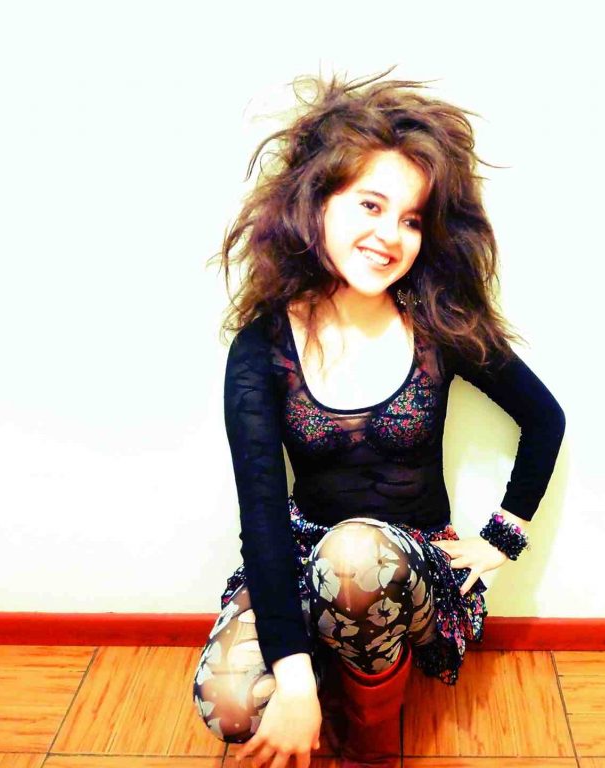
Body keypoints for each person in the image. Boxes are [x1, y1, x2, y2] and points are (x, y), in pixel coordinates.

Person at [193, 69, 566, 768]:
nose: (390, 235)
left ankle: (371, 740)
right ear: (317, 200)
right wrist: (292, 681)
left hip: (410, 563)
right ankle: (323, 677)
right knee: (233, 704)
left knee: (357, 555)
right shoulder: (262, 347)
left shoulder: (439, 325)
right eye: (370, 204)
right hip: (304, 551)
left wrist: (503, 538)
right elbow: (263, 514)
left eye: (412, 219)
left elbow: (544, 419)